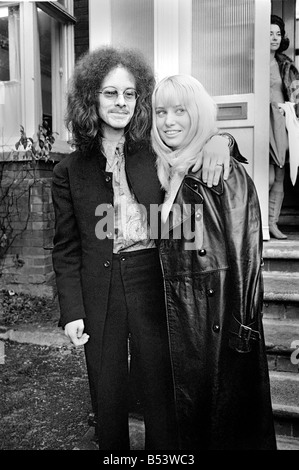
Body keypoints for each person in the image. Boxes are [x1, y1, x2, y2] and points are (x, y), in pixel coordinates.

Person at [51, 45, 237, 451]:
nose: (121, 102)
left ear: (140, 99)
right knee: (109, 389)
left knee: (161, 386)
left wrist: (221, 140)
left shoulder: (156, 150)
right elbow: (65, 248)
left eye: (130, 94)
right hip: (101, 288)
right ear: (90, 98)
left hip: (153, 277)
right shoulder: (68, 170)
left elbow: (197, 134)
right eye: (109, 93)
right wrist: (72, 311)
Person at [151, 74, 277, 450]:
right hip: (185, 324)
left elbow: (248, 256)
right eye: (161, 112)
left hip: (218, 326)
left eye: (180, 111)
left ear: (199, 115)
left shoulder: (224, 172)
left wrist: (244, 330)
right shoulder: (168, 171)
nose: (168, 121)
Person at [269, 14, 299, 239]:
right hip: (261, 121)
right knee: (265, 176)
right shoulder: (252, 64)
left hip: (281, 121)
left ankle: (272, 223)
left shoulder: (287, 65)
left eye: (278, 34)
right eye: (269, 33)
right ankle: (259, 222)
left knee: (279, 175)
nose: (274, 38)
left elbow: (297, 96)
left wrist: (289, 108)